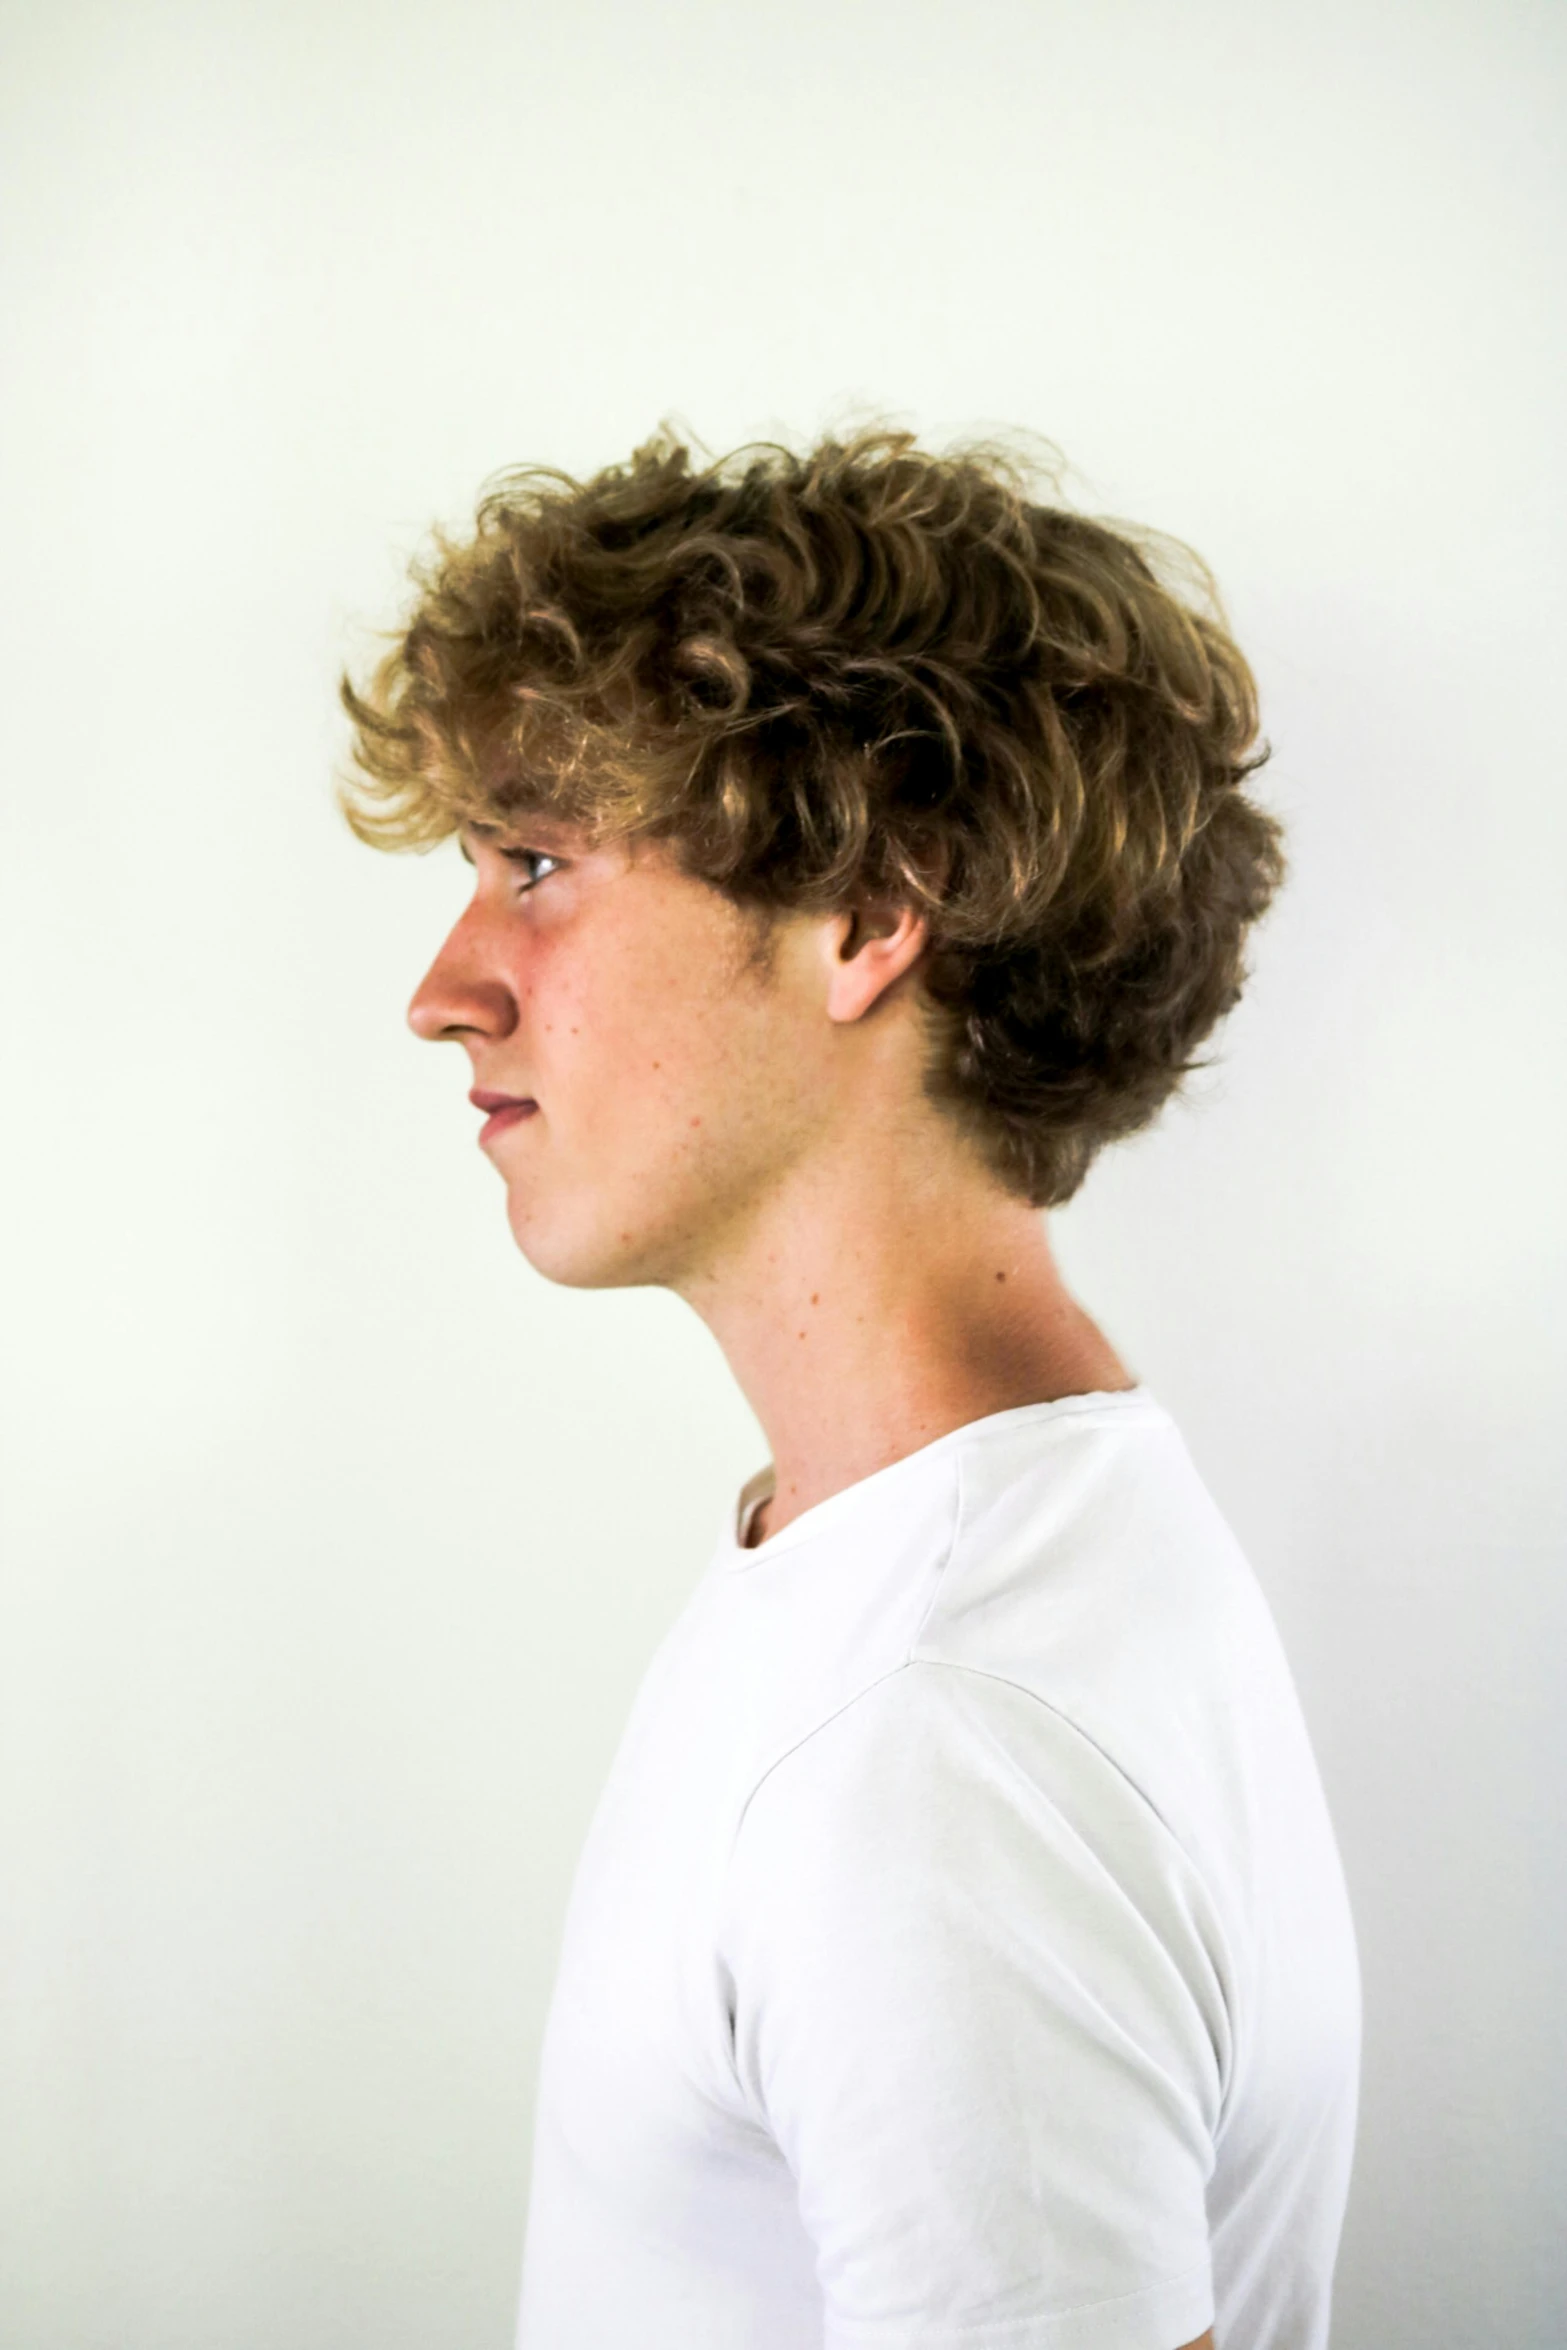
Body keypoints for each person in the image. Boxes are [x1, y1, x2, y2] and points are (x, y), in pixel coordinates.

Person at [338, 422, 1361, 2350]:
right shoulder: (932, 1564)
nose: (447, 984)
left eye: (540, 865)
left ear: (871, 915)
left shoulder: (937, 1745)